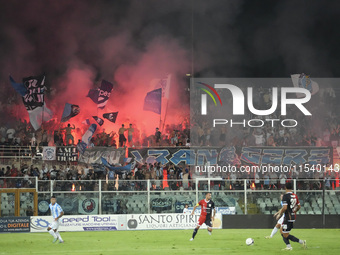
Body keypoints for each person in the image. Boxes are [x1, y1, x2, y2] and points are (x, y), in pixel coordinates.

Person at [274, 182, 306, 251]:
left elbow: (285, 208)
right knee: (282, 231)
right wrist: (294, 211)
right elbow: (299, 206)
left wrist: (280, 214)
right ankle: (289, 246)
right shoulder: (295, 195)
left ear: (285, 187)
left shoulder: (285, 196)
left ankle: (301, 242)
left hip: (288, 218)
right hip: (293, 217)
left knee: (284, 234)